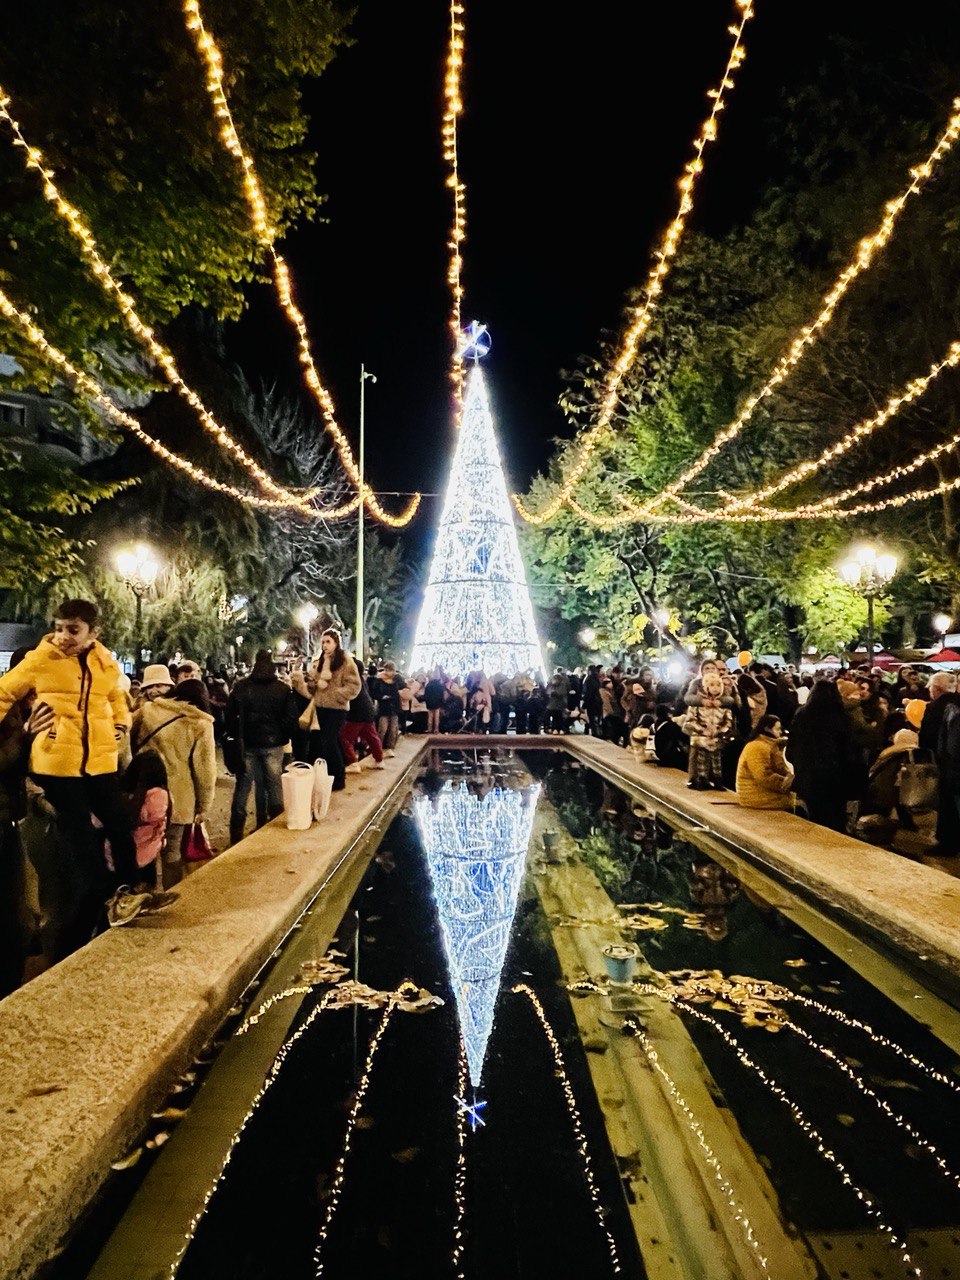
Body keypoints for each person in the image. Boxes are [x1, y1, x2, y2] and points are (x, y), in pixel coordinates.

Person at [0, 600, 164, 946]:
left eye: (73, 629)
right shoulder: (41, 659)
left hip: (98, 761)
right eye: (59, 627)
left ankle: (132, 890)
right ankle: (107, 894)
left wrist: (121, 721)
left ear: (93, 633)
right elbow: (4, 692)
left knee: (119, 821)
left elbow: (117, 696)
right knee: (81, 832)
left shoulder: (103, 660)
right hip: (56, 763)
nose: (63, 636)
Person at [132, 674, 217, 882]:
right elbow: (205, 771)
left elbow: (128, 743)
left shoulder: (147, 711)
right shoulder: (200, 723)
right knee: (172, 853)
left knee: (144, 846)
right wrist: (203, 806)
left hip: (146, 791)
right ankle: (172, 896)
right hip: (179, 799)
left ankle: (145, 893)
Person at [226, 649, 300, 843]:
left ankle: (235, 835)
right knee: (274, 784)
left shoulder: (241, 687)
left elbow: (230, 716)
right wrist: (282, 735)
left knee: (242, 788)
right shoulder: (282, 689)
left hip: (247, 744)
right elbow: (292, 717)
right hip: (273, 744)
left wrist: (236, 736)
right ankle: (274, 829)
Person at [786, 679, 860, 832]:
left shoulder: (801, 716)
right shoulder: (842, 717)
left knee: (815, 817)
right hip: (835, 778)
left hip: (809, 777)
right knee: (836, 819)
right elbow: (849, 750)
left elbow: (791, 750)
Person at [301, 630, 362, 791]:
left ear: (336, 643)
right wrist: (314, 685)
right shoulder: (322, 660)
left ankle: (338, 779)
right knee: (327, 742)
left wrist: (337, 694)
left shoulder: (345, 661)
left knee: (329, 741)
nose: (325, 645)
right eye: (323, 642)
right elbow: (313, 681)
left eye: (328, 641)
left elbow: (354, 686)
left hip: (337, 708)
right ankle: (329, 777)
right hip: (321, 706)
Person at [682, 668, 733, 789]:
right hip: (701, 737)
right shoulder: (697, 704)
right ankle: (701, 779)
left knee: (717, 760)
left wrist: (720, 730)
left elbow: (728, 721)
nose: (715, 688)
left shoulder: (724, 705)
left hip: (717, 736)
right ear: (706, 687)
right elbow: (690, 720)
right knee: (701, 759)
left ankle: (718, 780)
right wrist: (702, 730)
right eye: (711, 685)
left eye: (717, 685)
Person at [735, 715, 794, 811]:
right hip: (757, 797)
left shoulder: (770, 745)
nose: (780, 732)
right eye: (778, 729)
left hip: (763, 795)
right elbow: (763, 776)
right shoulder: (757, 747)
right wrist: (787, 783)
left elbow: (780, 768)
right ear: (767, 729)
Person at [340, 658, 384, 774]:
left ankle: (352, 763)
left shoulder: (351, 679)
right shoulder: (361, 679)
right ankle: (379, 760)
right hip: (368, 711)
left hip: (356, 713)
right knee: (371, 736)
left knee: (345, 738)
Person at [372, 661, 403, 751]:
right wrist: (381, 697)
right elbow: (373, 693)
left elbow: (403, 689)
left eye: (389, 670)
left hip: (394, 707)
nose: (387, 672)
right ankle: (378, 748)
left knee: (393, 729)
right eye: (386, 669)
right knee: (382, 729)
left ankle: (390, 747)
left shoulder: (397, 680)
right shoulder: (379, 680)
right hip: (383, 707)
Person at [546, 666, 569, 734]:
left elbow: (562, 694)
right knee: (556, 717)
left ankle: (558, 728)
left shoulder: (560, 685)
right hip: (555, 704)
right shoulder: (554, 685)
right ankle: (555, 728)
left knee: (558, 717)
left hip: (557, 704)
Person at [424, 669, 446, 734]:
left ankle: (429, 729)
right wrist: (442, 703)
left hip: (430, 703)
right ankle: (436, 729)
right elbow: (441, 695)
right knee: (436, 717)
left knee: (430, 717)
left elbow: (426, 695)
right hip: (437, 703)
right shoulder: (440, 685)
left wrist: (427, 702)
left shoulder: (428, 685)